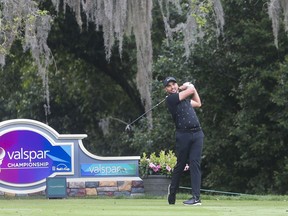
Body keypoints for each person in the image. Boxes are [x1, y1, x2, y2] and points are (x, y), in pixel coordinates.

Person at [163, 76, 204, 206]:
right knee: (180, 165)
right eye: (169, 86)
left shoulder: (185, 100)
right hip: (183, 135)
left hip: (197, 134)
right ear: (166, 90)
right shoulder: (171, 99)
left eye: (174, 84)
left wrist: (191, 88)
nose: (172, 87)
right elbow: (190, 90)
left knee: (195, 164)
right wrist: (185, 87)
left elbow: (198, 103)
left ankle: (196, 198)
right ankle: (172, 192)